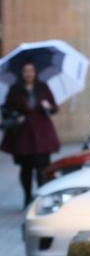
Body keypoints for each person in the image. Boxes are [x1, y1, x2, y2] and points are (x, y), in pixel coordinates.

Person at [1, 62, 60, 207]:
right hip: (23, 135)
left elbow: (54, 108)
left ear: (35, 72)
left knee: (42, 168)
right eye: (26, 71)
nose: (29, 73)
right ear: (21, 73)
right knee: (26, 168)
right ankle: (27, 197)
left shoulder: (43, 87)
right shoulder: (15, 89)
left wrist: (49, 106)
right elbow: (6, 109)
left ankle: (41, 197)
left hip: (42, 134)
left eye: (31, 70)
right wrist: (16, 116)